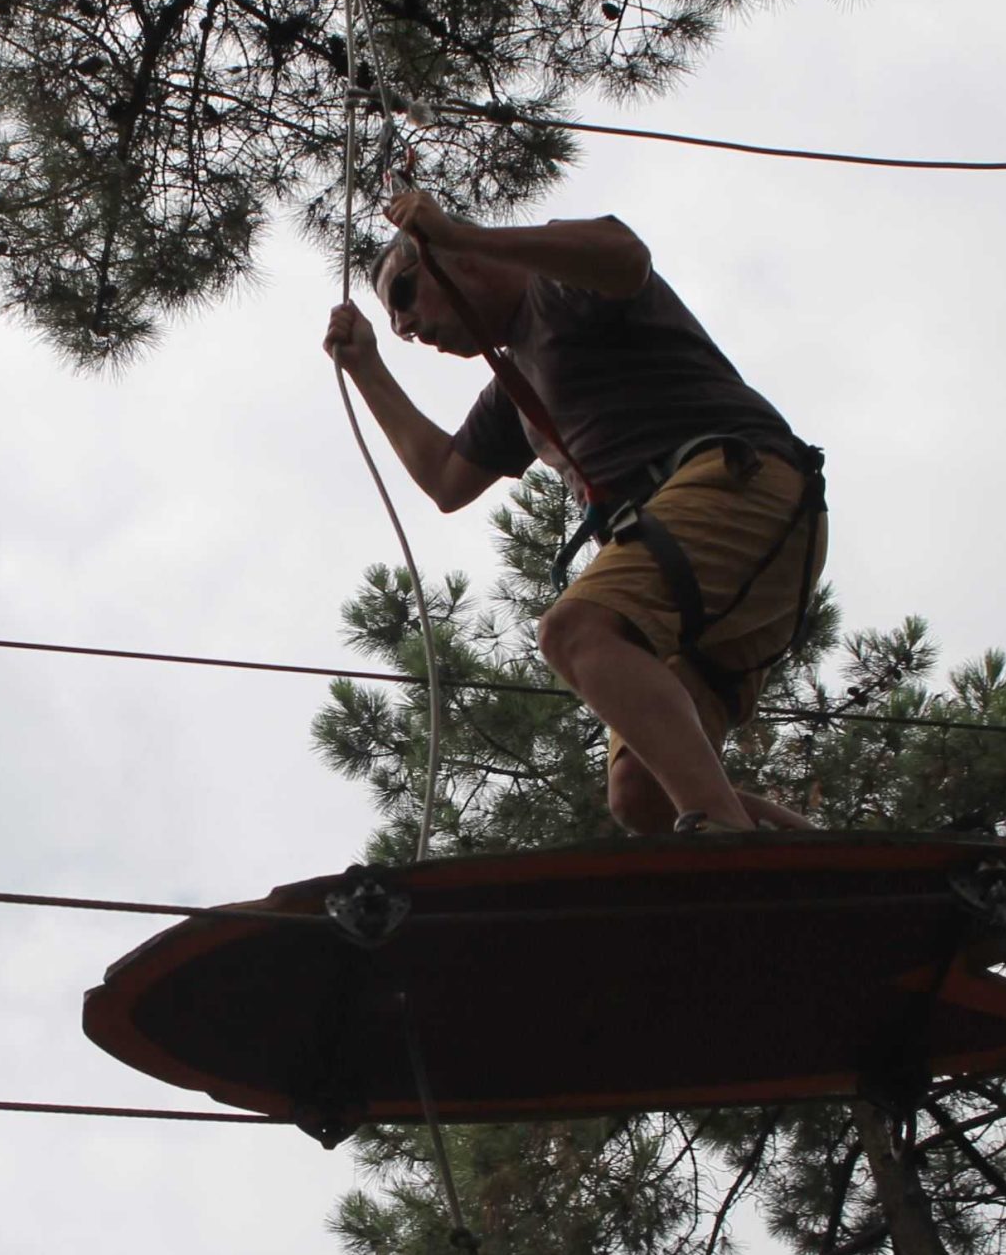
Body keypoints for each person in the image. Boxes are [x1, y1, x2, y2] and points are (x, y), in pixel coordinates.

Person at [321, 190, 827, 834]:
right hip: (718, 564)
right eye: (396, 322)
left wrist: (463, 234)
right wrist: (367, 368)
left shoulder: (560, 290)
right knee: (642, 796)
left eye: (404, 295)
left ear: (450, 255)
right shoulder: (515, 388)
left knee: (577, 631)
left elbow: (625, 255)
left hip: (741, 484)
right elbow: (447, 479)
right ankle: (822, 865)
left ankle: (728, 840)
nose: (406, 326)